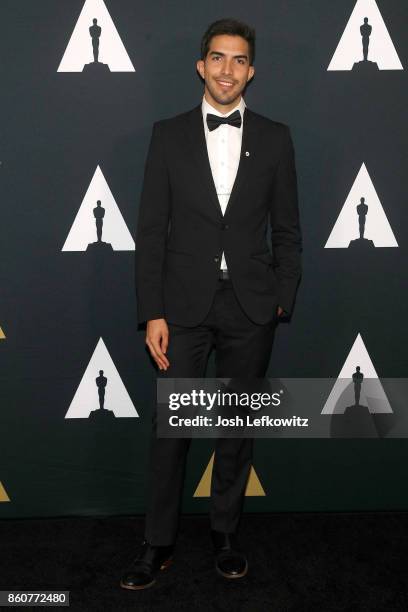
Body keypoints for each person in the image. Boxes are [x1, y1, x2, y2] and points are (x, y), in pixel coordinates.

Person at [120, 17, 302, 590]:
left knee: (237, 426)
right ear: (202, 66)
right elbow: (151, 231)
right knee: (172, 428)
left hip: (251, 308)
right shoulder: (167, 135)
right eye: (218, 58)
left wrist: (280, 297)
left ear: (252, 71)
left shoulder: (276, 137)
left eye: (240, 60)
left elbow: (289, 232)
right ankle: (158, 541)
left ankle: (225, 533)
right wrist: (153, 310)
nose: (228, 69)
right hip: (182, 308)